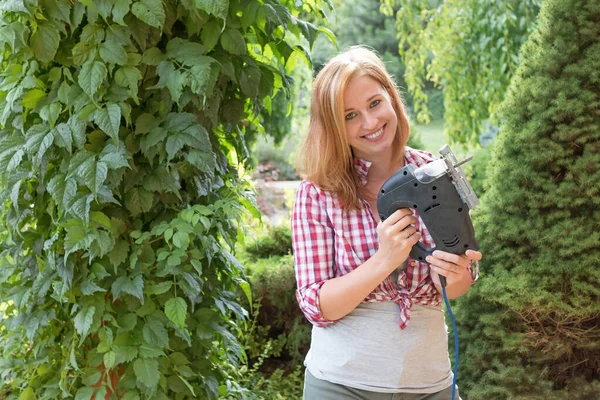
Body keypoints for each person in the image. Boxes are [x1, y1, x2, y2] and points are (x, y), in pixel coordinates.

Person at [291, 46, 483, 400]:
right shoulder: (317, 193)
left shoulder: (435, 173)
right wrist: (384, 260)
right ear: (333, 126)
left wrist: (455, 275)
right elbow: (317, 305)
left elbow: (454, 286)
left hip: (431, 384)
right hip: (342, 386)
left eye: (375, 103)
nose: (370, 122)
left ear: (392, 99)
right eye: (350, 115)